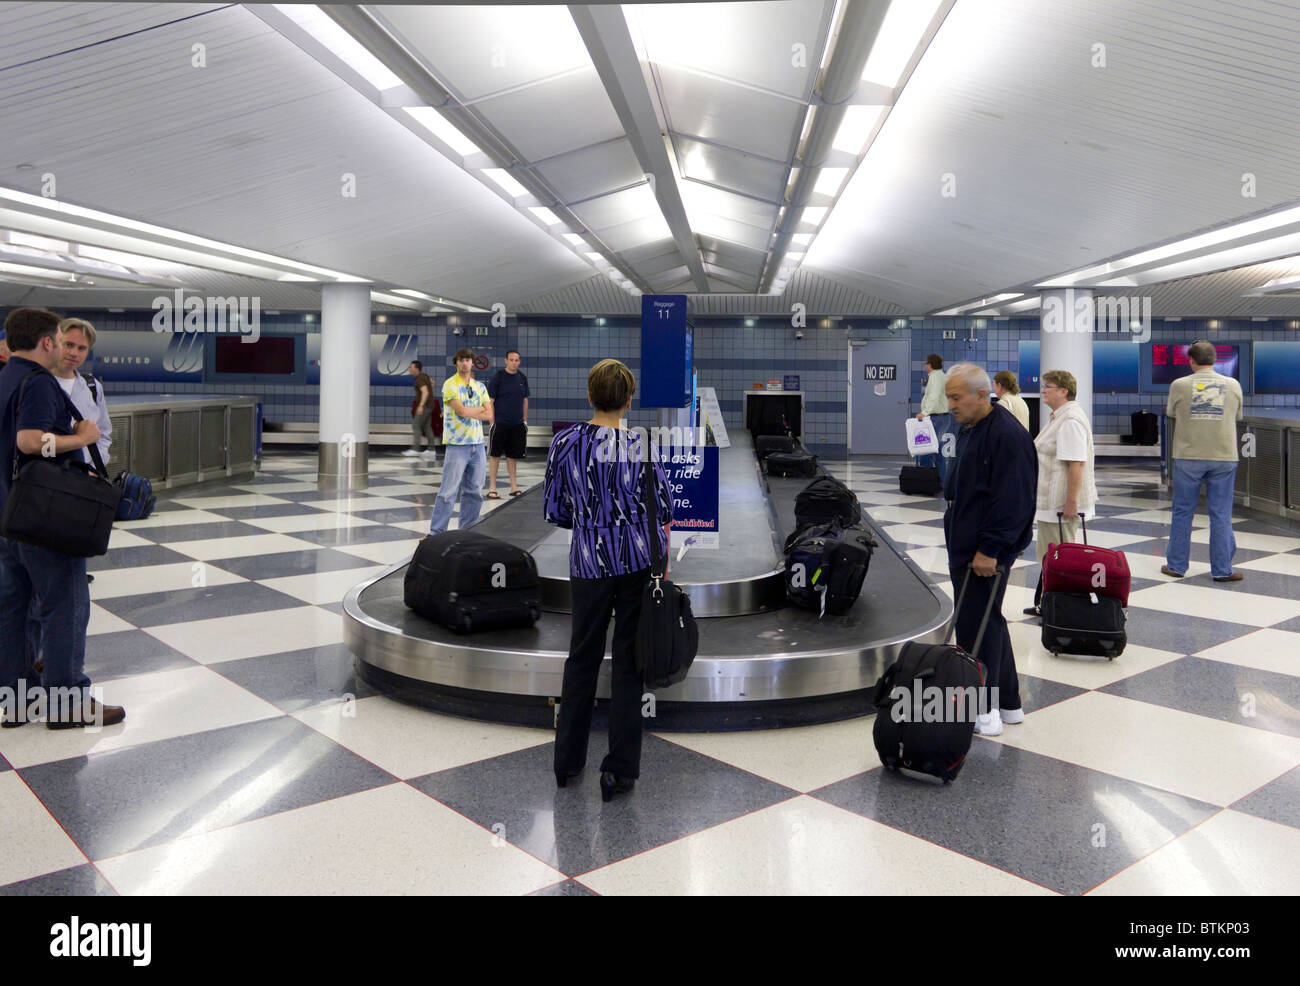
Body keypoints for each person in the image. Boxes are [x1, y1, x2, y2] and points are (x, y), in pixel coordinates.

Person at [543, 359, 672, 802]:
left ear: (589, 395)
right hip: (637, 562)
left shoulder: (565, 442)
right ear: (629, 400)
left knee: (582, 657)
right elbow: (665, 509)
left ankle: (567, 762)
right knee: (628, 664)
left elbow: (556, 512)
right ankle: (618, 770)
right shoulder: (643, 445)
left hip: (588, 563)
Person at [0, 308, 125, 729]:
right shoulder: (38, 383)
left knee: (14, 610)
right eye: (60, 339)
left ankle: (17, 700)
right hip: (42, 518)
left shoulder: (3, 380)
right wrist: (80, 439)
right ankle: (66, 702)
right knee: (65, 608)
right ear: (47, 342)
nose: (65, 347)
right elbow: (31, 442)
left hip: (7, 517)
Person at [942, 362, 1036, 737]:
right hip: (966, 534)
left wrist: (991, 550)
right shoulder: (972, 426)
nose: (950, 405)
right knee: (987, 618)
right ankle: (1009, 704)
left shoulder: (1006, 435)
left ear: (983, 394)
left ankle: (983, 711)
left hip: (983, 547)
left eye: (956, 397)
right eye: (948, 397)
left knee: (973, 625)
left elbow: (1013, 501)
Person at [1164, 340, 1244, 581]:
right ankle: (1222, 570)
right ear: (1214, 360)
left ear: (1191, 361)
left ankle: (1177, 566)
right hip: (1224, 456)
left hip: (1189, 457)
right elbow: (1238, 415)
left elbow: (1171, 413)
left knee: (1182, 512)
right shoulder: (1232, 385)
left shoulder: (1179, 385)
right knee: (1220, 514)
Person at [1023, 369, 1098, 617]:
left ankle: (1059, 608)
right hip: (1051, 502)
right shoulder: (1059, 417)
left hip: (1060, 504)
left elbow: (1076, 464)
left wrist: (1071, 503)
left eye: (1049, 386)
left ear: (1064, 391)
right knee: (1049, 555)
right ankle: (1049, 602)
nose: (1043, 390)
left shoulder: (1070, 420)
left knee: (1058, 557)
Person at [427, 349, 492, 535]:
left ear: (473, 363)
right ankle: (436, 532)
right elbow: (462, 412)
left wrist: (474, 410)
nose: (465, 364)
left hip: (477, 444)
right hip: (457, 445)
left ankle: (467, 531)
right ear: (456, 363)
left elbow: (489, 414)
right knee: (448, 492)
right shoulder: (450, 385)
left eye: (468, 360)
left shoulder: (479, 386)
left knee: (474, 491)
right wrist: (478, 409)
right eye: (461, 360)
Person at [486, 350, 529, 499]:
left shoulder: (522, 378)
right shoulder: (498, 377)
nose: (514, 362)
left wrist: (524, 421)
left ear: (519, 361)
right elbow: (490, 400)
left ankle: (513, 486)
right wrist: (492, 421)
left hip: (517, 424)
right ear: (506, 361)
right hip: (500, 423)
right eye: (511, 360)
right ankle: (492, 487)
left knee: (512, 456)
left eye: (517, 360)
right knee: (495, 455)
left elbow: (525, 400)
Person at [915, 354, 950, 486]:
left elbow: (933, 397)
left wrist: (924, 413)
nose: (925, 366)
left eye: (926, 363)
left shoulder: (935, 377)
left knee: (927, 449)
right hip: (942, 417)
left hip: (936, 417)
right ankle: (942, 481)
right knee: (938, 451)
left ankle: (926, 481)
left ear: (930, 364)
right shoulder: (942, 375)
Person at [403, 360, 437, 460]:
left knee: (416, 425)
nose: (409, 369)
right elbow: (432, 383)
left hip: (425, 405)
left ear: (416, 369)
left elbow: (425, 392)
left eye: (411, 367)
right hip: (430, 405)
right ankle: (431, 450)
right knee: (427, 427)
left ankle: (415, 449)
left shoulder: (419, 379)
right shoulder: (424, 375)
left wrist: (421, 405)